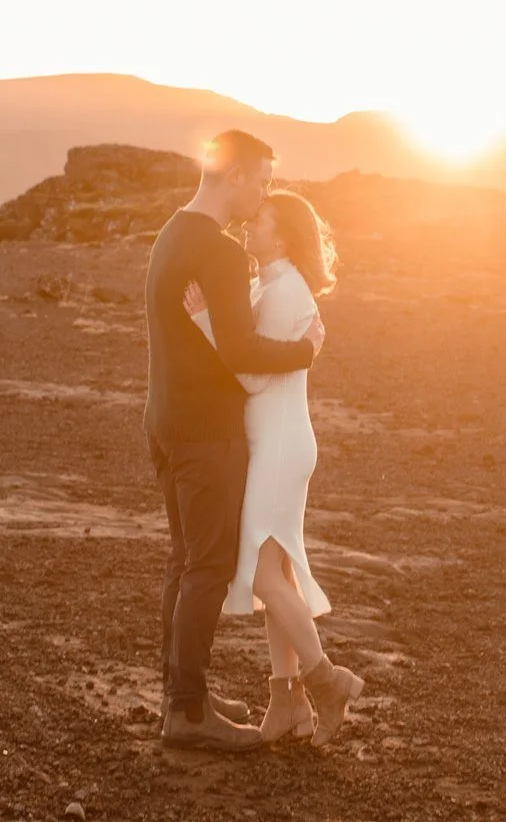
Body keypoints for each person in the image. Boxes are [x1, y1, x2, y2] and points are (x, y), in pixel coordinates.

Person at [143, 129, 326, 751]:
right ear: (237, 176)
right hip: (205, 433)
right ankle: (188, 713)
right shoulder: (220, 253)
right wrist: (306, 350)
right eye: (264, 181)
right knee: (210, 567)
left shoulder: (171, 233)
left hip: (164, 421)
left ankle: (180, 691)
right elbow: (242, 351)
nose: (266, 194)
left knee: (182, 559)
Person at [186, 189, 365, 745]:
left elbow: (254, 376)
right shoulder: (267, 282)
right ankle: (287, 706)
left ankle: (327, 681)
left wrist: (206, 323)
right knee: (277, 578)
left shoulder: (287, 288)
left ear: (282, 234)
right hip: (274, 441)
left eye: (260, 221)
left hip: (281, 445)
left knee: (263, 574)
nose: (248, 227)